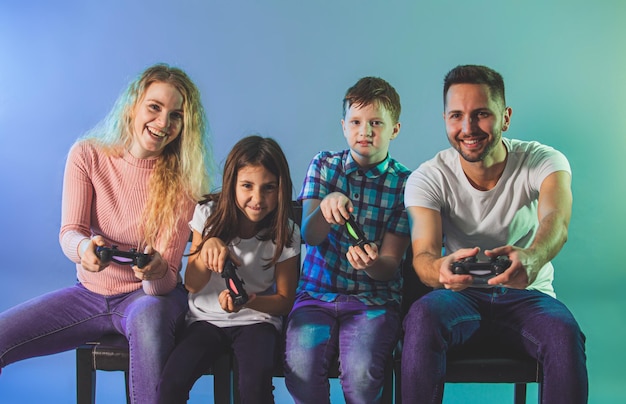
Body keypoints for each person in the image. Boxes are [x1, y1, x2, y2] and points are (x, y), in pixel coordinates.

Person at [0, 63, 212, 403]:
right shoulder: (87, 155)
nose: (162, 124)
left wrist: (154, 269)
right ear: (133, 106)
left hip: (147, 299)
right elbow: (70, 232)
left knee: (148, 320)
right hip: (88, 294)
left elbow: (164, 282)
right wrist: (84, 247)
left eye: (176, 116)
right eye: (154, 107)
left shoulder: (182, 184)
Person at [402, 64, 588, 403]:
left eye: (481, 114)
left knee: (563, 332)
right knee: (422, 315)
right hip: (460, 297)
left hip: (528, 295)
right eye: (456, 115)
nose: (468, 127)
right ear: (445, 118)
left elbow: (555, 223)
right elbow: (424, 256)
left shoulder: (543, 160)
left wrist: (532, 257)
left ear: (506, 117)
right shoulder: (427, 177)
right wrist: (439, 270)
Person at [284, 77, 411, 404]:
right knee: (300, 369)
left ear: (394, 130)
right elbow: (309, 236)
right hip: (316, 294)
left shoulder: (404, 184)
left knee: (362, 375)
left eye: (376, 123)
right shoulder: (324, 166)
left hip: (374, 300)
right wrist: (326, 209)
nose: (365, 131)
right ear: (344, 126)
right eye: (356, 122)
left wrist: (372, 264)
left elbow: (389, 265)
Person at [157, 135, 301, 404]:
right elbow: (192, 283)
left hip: (256, 321)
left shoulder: (287, 232)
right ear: (231, 183)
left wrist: (250, 301)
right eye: (247, 186)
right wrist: (208, 246)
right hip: (205, 320)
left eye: (269, 188)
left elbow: (284, 301)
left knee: (254, 388)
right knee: (170, 383)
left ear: (281, 188)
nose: (257, 198)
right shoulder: (208, 214)